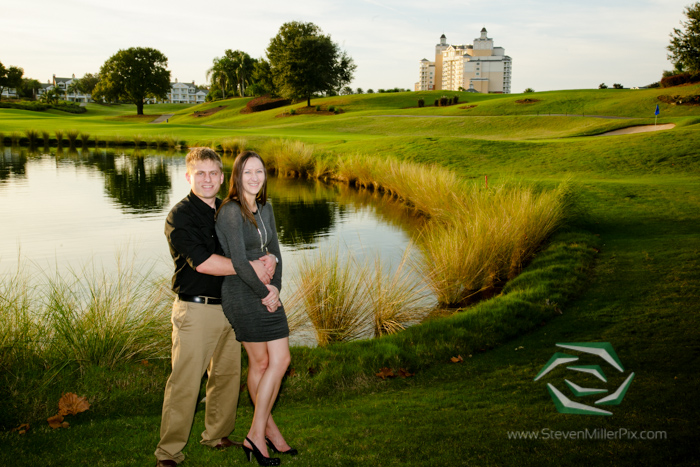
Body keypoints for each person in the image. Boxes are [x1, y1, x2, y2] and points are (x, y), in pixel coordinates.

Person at [155, 147, 277, 467]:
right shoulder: (180, 216)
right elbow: (205, 263)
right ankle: (169, 453)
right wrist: (250, 266)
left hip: (230, 308)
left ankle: (217, 435)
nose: (207, 180)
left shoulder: (227, 211)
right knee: (185, 383)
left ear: (222, 177)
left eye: (213, 173)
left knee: (225, 377)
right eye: (200, 174)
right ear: (188, 176)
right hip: (196, 311)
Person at [215, 151, 295, 466]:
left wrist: (276, 286)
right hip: (241, 292)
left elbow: (275, 250)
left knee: (278, 360)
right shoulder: (231, 211)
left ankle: (258, 433)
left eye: (259, 171)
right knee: (261, 363)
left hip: (265, 290)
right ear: (237, 176)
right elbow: (237, 261)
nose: (253, 177)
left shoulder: (266, 209)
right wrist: (264, 292)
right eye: (247, 172)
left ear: (264, 175)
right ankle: (261, 436)